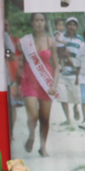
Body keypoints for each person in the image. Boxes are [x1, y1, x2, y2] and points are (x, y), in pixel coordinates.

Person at [17, 13, 59, 157]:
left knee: (45, 118)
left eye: (42, 20)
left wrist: (54, 84)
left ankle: (43, 146)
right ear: (32, 22)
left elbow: (56, 66)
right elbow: (19, 63)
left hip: (46, 83)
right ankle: (31, 136)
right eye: (36, 20)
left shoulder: (51, 41)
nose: (39, 23)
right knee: (33, 114)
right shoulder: (24, 42)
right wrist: (15, 84)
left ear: (45, 22)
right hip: (29, 82)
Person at [57, 17, 83, 125]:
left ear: (76, 27)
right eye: (69, 24)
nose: (71, 27)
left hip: (74, 71)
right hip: (62, 71)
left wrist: (77, 68)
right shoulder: (61, 37)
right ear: (66, 26)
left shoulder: (80, 39)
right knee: (62, 95)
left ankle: (76, 107)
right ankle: (68, 119)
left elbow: (81, 55)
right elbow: (58, 51)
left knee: (75, 95)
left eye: (74, 25)